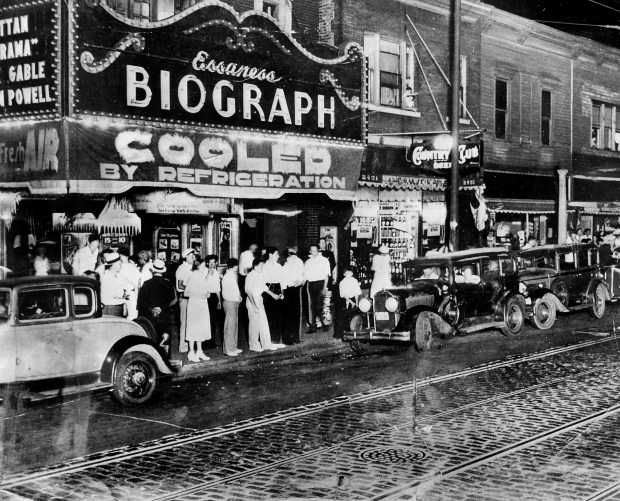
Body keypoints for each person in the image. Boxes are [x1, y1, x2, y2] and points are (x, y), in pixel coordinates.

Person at [137, 259, 177, 351]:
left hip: (149, 315)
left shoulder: (146, 284)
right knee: (165, 337)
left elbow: (141, 302)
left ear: (152, 270)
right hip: (164, 314)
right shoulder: (168, 283)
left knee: (152, 337)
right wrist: (162, 308)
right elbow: (174, 301)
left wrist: (152, 309)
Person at [245, 258, 283, 352]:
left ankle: (266, 344)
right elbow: (248, 292)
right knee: (254, 324)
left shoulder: (259, 275)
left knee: (263, 323)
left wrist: (273, 295)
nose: (263, 267)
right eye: (262, 265)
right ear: (256, 266)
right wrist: (254, 305)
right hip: (252, 301)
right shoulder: (250, 276)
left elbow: (264, 287)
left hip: (259, 299)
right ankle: (254, 345)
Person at [183, 260, 212, 362]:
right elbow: (185, 293)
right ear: (198, 266)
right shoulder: (193, 276)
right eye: (204, 266)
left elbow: (204, 289)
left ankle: (199, 351)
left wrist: (208, 293)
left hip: (202, 304)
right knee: (193, 328)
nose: (205, 267)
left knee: (201, 328)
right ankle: (191, 352)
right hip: (194, 305)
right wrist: (199, 295)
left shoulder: (200, 276)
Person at [304, 244, 331, 333]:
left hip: (320, 283)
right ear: (310, 251)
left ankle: (325, 324)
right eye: (312, 250)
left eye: (315, 250)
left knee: (319, 306)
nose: (314, 252)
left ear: (318, 250)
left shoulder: (324, 260)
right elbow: (306, 276)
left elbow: (326, 275)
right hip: (311, 284)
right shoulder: (308, 262)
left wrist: (324, 287)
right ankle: (313, 327)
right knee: (312, 306)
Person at [282, 247, 305, 345]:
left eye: (293, 253)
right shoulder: (285, 264)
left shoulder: (299, 262)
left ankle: (295, 337)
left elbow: (304, 275)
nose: (292, 255)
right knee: (288, 314)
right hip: (287, 290)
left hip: (295, 289)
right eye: (290, 253)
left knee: (295, 313)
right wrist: (283, 290)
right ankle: (288, 338)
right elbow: (282, 278)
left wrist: (300, 281)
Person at [175, 248, 196, 354]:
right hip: (184, 299)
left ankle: (188, 344)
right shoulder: (181, 269)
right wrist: (192, 287)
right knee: (184, 323)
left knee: (190, 323)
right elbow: (179, 285)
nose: (194, 258)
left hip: (191, 298)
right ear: (186, 257)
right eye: (192, 256)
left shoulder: (190, 268)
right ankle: (182, 346)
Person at [263, 247, 285, 345]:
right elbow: (262, 283)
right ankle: (268, 339)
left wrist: (282, 292)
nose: (278, 256)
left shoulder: (279, 266)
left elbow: (282, 281)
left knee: (277, 315)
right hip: (268, 291)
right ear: (270, 255)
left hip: (277, 289)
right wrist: (271, 294)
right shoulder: (264, 266)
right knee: (268, 315)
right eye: (276, 254)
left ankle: (276, 339)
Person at [221, 258, 243, 357]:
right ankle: (228, 349)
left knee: (234, 326)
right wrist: (236, 298)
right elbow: (226, 293)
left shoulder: (231, 275)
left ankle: (233, 347)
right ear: (235, 266)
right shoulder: (228, 276)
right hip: (230, 302)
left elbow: (234, 290)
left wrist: (238, 297)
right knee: (229, 326)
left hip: (234, 302)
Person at [335, 267, 362, 339]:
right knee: (344, 316)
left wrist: (356, 302)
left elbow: (357, 292)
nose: (348, 274)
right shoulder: (342, 282)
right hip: (345, 300)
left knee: (356, 315)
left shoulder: (355, 281)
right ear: (344, 274)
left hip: (353, 299)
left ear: (352, 273)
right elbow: (344, 295)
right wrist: (351, 302)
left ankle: (355, 332)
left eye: (350, 273)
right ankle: (342, 334)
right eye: (346, 273)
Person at [100, 252, 128, 317]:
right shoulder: (105, 276)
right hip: (110, 308)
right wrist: (123, 295)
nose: (121, 264)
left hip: (118, 306)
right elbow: (116, 294)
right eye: (119, 263)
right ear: (113, 264)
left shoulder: (118, 275)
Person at [118, 246, 141, 320]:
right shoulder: (134, 268)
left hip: (128, 294)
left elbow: (136, 284)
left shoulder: (120, 268)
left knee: (127, 316)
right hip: (129, 294)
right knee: (130, 316)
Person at [204, 254, 222, 348]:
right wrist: (208, 274)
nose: (211, 264)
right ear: (207, 263)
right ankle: (205, 342)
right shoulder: (204, 271)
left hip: (214, 296)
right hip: (206, 296)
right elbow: (202, 283)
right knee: (206, 319)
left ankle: (212, 341)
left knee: (213, 320)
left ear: (216, 263)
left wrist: (219, 301)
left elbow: (217, 288)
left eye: (213, 263)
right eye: (210, 263)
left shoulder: (216, 273)